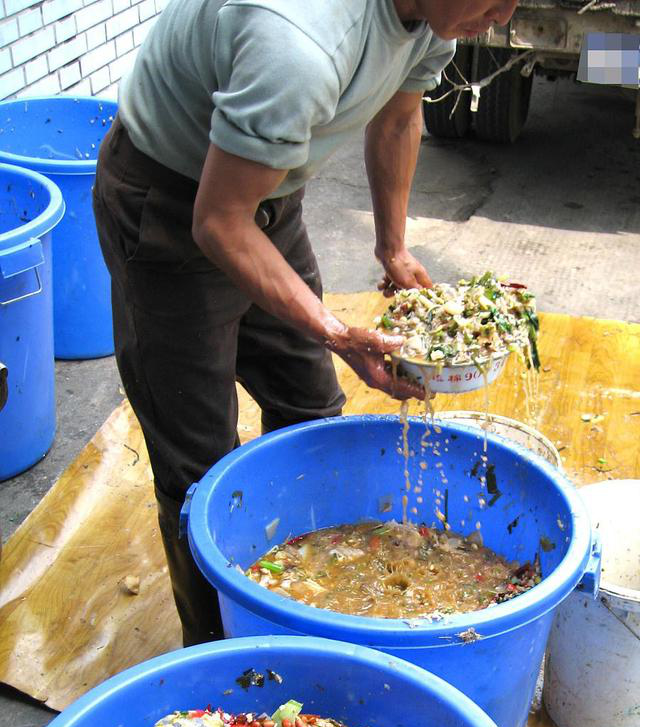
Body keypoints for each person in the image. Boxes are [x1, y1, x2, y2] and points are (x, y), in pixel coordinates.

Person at [93, 0, 519, 646]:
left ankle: (313, 606)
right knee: (199, 472)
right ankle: (224, 675)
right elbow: (217, 221)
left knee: (311, 407)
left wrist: (394, 247)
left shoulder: (443, 16)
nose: (503, 15)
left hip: (261, 191)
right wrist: (337, 332)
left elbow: (401, 116)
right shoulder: (302, 42)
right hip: (172, 201)